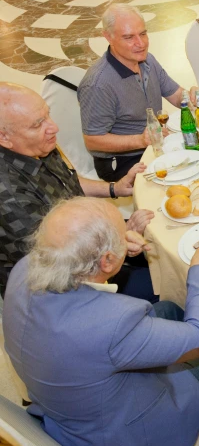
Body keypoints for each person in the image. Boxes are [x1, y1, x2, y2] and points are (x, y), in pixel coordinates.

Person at [3, 197, 199, 446]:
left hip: (73, 397)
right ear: (106, 261)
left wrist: (120, 252)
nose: (127, 237)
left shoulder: (23, 269)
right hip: (127, 430)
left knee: (170, 309)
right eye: (120, 236)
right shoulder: (111, 323)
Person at [0, 82, 155, 301]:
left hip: (89, 244)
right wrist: (119, 237)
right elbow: (59, 260)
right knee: (160, 287)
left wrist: (115, 188)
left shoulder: (36, 144)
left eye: (47, 115)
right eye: (37, 124)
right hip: (59, 288)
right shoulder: (9, 196)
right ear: (4, 137)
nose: (54, 127)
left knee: (157, 236)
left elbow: (67, 183)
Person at [78, 3, 199, 182]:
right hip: (123, 159)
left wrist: (191, 96)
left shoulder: (147, 60)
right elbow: (93, 140)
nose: (140, 43)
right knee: (189, 174)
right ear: (108, 37)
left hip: (155, 142)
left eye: (143, 34)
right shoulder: (98, 84)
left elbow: (175, 94)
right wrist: (141, 140)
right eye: (129, 37)